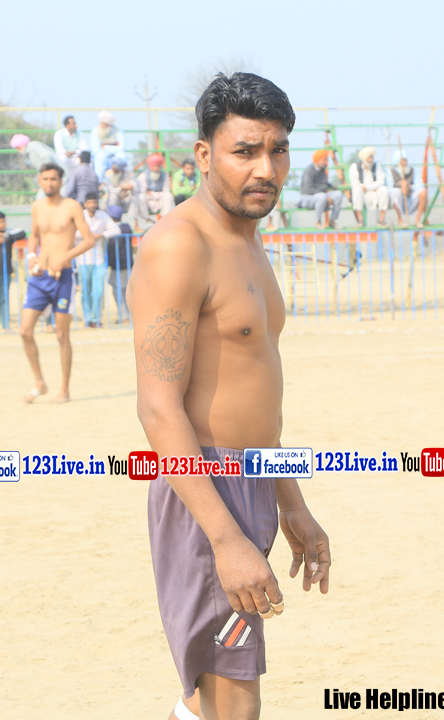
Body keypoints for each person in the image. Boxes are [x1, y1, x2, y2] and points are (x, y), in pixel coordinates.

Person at [127, 71, 330, 720]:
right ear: (205, 154)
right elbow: (158, 407)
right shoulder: (179, 246)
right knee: (234, 703)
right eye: (245, 151)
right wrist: (224, 538)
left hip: (252, 482)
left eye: (278, 150)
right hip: (204, 492)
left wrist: (291, 502)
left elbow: (256, 401)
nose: (265, 169)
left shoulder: (247, 241)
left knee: (205, 699)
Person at [20, 163, 96, 403]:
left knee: (62, 335)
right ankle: (39, 382)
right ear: (39, 181)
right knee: (24, 330)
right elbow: (34, 235)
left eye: (53, 179)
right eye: (45, 179)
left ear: (61, 182)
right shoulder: (37, 207)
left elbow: (88, 240)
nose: (49, 183)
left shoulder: (72, 206)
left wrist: (63, 258)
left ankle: (64, 390)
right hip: (39, 277)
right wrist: (31, 257)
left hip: (62, 278)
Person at [74, 191, 119, 328]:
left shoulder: (102, 215)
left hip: (98, 259)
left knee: (98, 292)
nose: (92, 205)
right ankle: (88, 319)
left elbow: (116, 230)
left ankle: (96, 318)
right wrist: (87, 235)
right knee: (85, 292)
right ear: (85, 204)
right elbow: (72, 232)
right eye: (89, 202)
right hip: (83, 259)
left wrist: (101, 235)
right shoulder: (79, 215)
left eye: (94, 202)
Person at [298, 149, 344, 229]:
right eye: (324, 160)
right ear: (318, 160)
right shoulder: (308, 171)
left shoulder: (322, 170)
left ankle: (332, 221)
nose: (326, 162)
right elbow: (308, 189)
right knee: (321, 196)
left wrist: (332, 186)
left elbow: (323, 183)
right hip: (307, 197)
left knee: (338, 194)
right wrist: (326, 197)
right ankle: (318, 222)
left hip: (322, 196)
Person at [104, 204, 134, 323]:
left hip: (117, 266)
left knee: (118, 291)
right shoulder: (127, 227)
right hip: (128, 264)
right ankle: (131, 316)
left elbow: (112, 250)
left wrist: (107, 264)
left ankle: (124, 317)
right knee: (128, 291)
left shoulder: (113, 232)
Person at [348, 147, 389, 227]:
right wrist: (368, 187)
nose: (370, 160)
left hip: (375, 193)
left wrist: (367, 187)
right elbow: (355, 184)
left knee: (384, 189)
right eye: (368, 158)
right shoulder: (355, 167)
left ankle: (381, 220)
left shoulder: (376, 165)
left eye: (371, 157)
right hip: (362, 194)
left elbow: (381, 181)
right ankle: (360, 220)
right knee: (356, 190)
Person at [389, 149, 428, 228]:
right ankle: (400, 220)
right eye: (402, 161)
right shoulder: (391, 171)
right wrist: (401, 187)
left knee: (423, 191)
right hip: (398, 200)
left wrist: (409, 187)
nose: (405, 163)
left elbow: (420, 185)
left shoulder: (413, 170)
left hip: (411, 198)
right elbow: (389, 188)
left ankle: (417, 220)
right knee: (395, 192)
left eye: (405, 160)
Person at [135, 153, 176, 226]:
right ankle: (148, 220)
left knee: (168, 196)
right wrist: (154, 195)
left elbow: (166, 191)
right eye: (154, 165)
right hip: (147, 202)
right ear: (150, 166)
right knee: (141, 197)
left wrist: (152, 194)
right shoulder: (143, 176)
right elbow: (142, 192)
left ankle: (164, 220)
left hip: (159, 200)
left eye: (158, 166)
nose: (156, 168)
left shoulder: (164, 176)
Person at [90, 110, 126, 178]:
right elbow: (95, 149)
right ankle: (99, 181)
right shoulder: (96, 130)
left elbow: (122, 148)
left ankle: (121, 180)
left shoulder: (118, 131)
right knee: (100, 157)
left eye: (104, 124)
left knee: (121, 155)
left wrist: (105, 147)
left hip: (115, 155)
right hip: (102, 156)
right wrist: (115, 145)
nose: (102, 126)